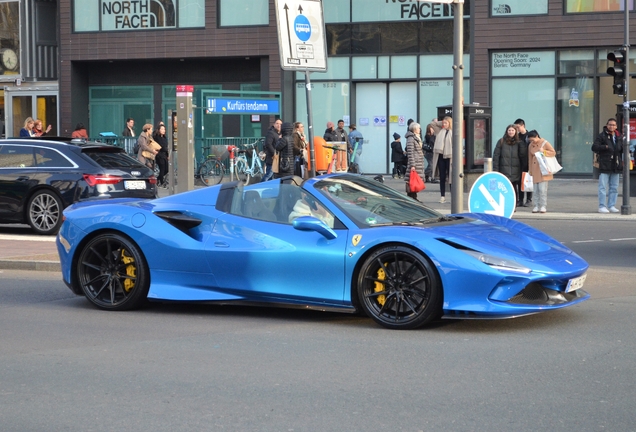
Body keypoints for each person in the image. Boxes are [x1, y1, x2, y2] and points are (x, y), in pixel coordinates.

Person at [592, 118, 623, 213]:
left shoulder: (619, 136)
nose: (612, 126)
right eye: (610, 125)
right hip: (605, 164)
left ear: (616, 126)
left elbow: (621, 149)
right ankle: (602, 206)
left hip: (615, 165)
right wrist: (605, 147)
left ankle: (611, 205)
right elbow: (594, 147)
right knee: (602, 187)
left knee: (614, 187)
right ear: (607, 125)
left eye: (613, 125)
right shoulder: (602, 136)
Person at [493, 124, 527, 208]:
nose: (511, 132)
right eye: (509, 130)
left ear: (515, 131)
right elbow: (496, 156)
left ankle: (513, 205)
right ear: (506, 131)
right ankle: (505, 204)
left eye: (512, 130)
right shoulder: (501, 141)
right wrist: (496, 170)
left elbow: (523, 156)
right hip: (504, 169)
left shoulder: (519, 142)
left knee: (514, 188)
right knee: (505, 188)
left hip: (516, 169)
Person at [527, 130, 556, 214]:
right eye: (530, 140)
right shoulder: (530, 146)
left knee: (542, 190)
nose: (532, 142)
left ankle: (543, 206)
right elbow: (530, 158)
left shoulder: (545, 143)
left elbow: (553, 152)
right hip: (535, 169)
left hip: (543, 169)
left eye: (533, 140)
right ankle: (536, 205)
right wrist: (530, 170)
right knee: (535, 189)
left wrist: (544, 151)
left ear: (537, 136)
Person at [432, 116, 453, 203]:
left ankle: (453, 196)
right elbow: (432, 124)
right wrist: (441, 122)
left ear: (450, 123)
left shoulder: (453, 132)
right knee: (442, 177)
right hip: (441, 156)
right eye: (443, 123)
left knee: (451, 177)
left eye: (446, 123)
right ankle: (442, 196)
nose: (444, 124)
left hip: (450, 157)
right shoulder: (440, 131)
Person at [404, 122, 425, 201]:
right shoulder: (411, 138)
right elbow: (410, 152)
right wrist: (413, 164)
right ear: (414, 129)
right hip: (414, 163)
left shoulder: (416, 138)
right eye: (418, 128)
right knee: (412, 180)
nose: (419, 129)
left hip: (417, 162)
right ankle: (411, 198)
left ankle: (413, 197)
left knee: (414, 180)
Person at [514, 118, 532, 207]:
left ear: (523, 126)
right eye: (516, 127)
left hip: (528, 162)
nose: (517, 129)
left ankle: (529, 199)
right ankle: (520, 200)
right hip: (519, 162)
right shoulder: (516, 136)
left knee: (528, 180)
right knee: (520, 181)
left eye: (518, 127)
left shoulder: (529, 136)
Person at [153, 122, 169, 187]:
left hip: (165, 155)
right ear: (159, 130)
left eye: (164, 129)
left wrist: (167, 155)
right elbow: (160, 146)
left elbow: (166, 146)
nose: (163, 131)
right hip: (159, 155)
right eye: (162, 129)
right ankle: (162, 183)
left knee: (166, 169)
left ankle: (157, 179)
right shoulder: (157, 137)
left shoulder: (165, 138)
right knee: (162, 168)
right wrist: (165, 149)